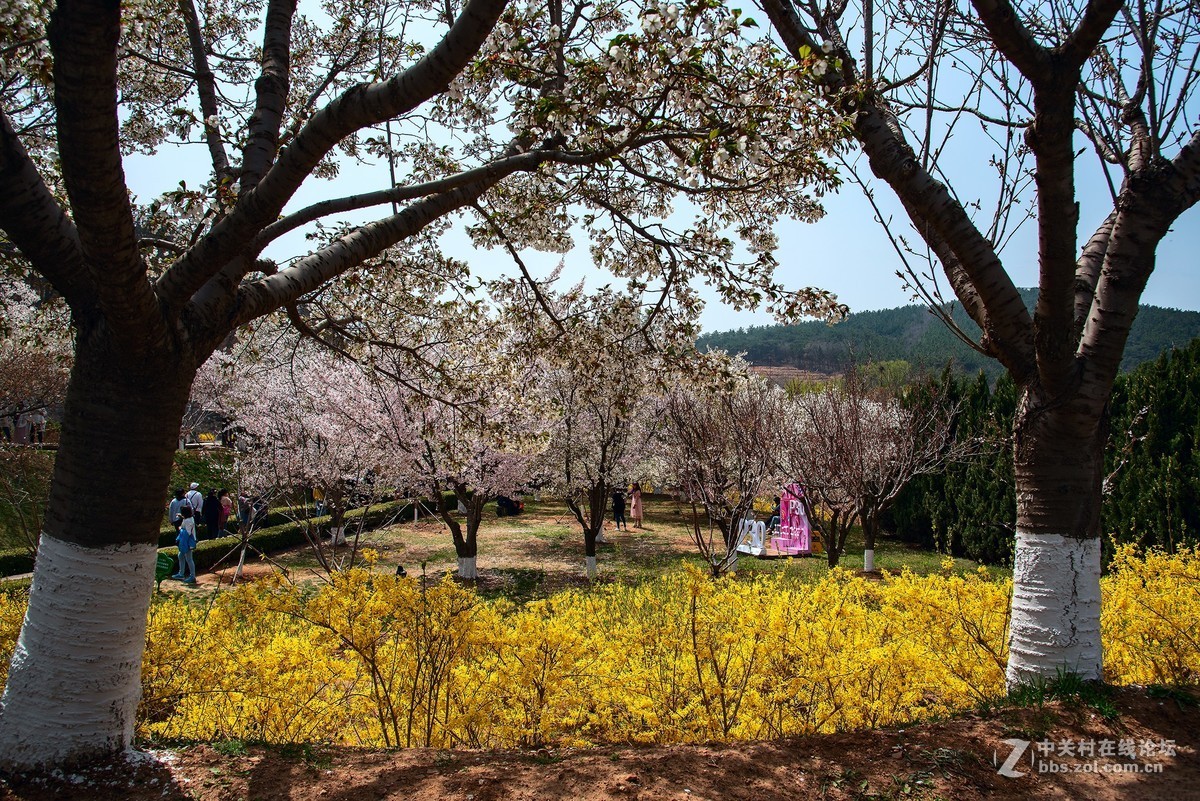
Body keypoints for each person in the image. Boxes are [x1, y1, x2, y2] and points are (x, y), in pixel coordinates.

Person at [172, 506, 198, 584]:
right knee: (181, 556)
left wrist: (180, 528)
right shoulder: (189, 519)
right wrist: (181, 517)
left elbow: (187, 532)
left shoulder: (187, 521)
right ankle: (181, 573)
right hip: (186, 541)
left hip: (187, 542)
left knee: (189, 559)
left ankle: (192, 576)